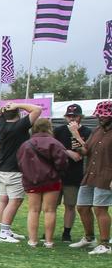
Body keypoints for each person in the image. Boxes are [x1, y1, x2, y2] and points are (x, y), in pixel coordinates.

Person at [17, 118, 75, 248]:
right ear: (50, 127)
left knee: (33, 210)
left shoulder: (26, 144)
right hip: (52, 181)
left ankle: (33, 240)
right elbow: (62, 162)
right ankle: (49, 241)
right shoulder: (55, 143)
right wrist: (58, 173)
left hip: (32, 181)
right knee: (50, 211)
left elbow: (20, 163)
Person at [0, 101, 43, 243]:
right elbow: (37, 109)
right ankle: (3, 232)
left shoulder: (1, 124)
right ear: (18, 113)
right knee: (15, 200)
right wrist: (18, 104)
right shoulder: (19, 126)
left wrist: (7, 108)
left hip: (1, 167)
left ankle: (5, 230)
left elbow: (0, 114)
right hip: (14, 169)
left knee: (3, 199)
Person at [69, 100, 112, 254]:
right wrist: (77, 138)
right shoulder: (97, 131)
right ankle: (89, 238)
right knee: (82, 207)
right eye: (99, 115)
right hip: (90, 174)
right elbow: (86, 150)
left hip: (106, 175)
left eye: (105, 115)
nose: (101, 117)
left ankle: (105, 244)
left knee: (100, 209)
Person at [54, 104, 92, 242]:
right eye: (69, 116)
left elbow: (87, 150)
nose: (71, 118)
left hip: (74, 174)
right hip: (56, 173)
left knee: (70, 205)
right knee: (51, 205)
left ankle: (66, 233)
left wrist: (76, 137)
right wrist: (67, 151)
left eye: (74, 116)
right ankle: (48, 231)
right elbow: (51, 147)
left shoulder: (87, 131)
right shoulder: (58, 130)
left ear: (80, 117)